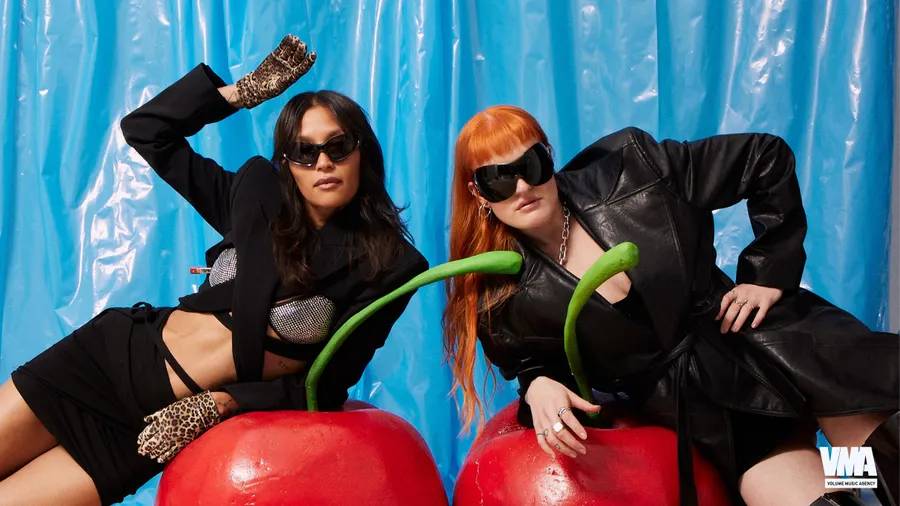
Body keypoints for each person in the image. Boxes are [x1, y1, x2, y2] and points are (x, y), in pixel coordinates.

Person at [0, 35, 427, 505]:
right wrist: (241, 93)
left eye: (338, 146)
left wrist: (224, 403)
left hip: (153, 428)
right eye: (304, 151)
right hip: (106, 359)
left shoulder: (389, 265)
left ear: (362, 151)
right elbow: (146, 130)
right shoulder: (255, 192)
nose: (322, 162)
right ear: (288, 162)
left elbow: (326, 385)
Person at [443, 105, 899, 506]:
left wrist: (768, 273)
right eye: (498, 179)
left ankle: (852, 471)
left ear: (549, 156)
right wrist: (538, 386)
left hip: (777, 353)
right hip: (720, 424)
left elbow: (764, 157)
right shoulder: (500, 297)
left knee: (882, 461)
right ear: (478, 193)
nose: (523, 186)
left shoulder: (631, 169)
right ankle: (838, 475)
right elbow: (534, 362)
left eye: (532, 164)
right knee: (826, 503)